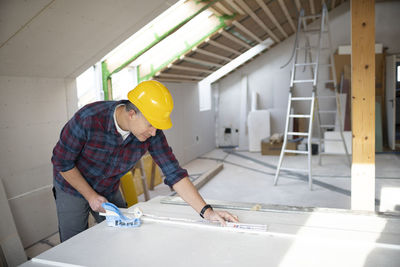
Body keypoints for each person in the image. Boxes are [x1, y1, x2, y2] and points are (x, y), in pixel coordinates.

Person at [52, 80, 238, 242]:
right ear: (132, 113)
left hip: (108, 187)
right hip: (72, 187)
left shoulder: (151, 132)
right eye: (150, 125)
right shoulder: (89, 119)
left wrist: (207, 212)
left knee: (122, 235)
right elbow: (62, 162)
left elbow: (174, 173)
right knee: (74, 242)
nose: (154, 132)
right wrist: (90, 196)